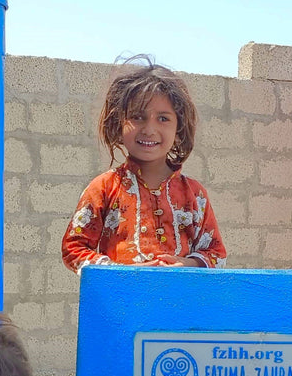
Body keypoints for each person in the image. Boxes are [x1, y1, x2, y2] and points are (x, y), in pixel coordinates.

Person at [61, 57, 227, 271]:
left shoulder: (195, 195)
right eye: (137, 117)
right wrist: (120, 273)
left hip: (178, 293)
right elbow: (74, 248)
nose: (149, 129)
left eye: (163, 118)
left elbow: (215, 253)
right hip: (121, 293)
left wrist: (188, 264)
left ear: (178, 129)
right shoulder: (104, 188)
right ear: (118, 123)